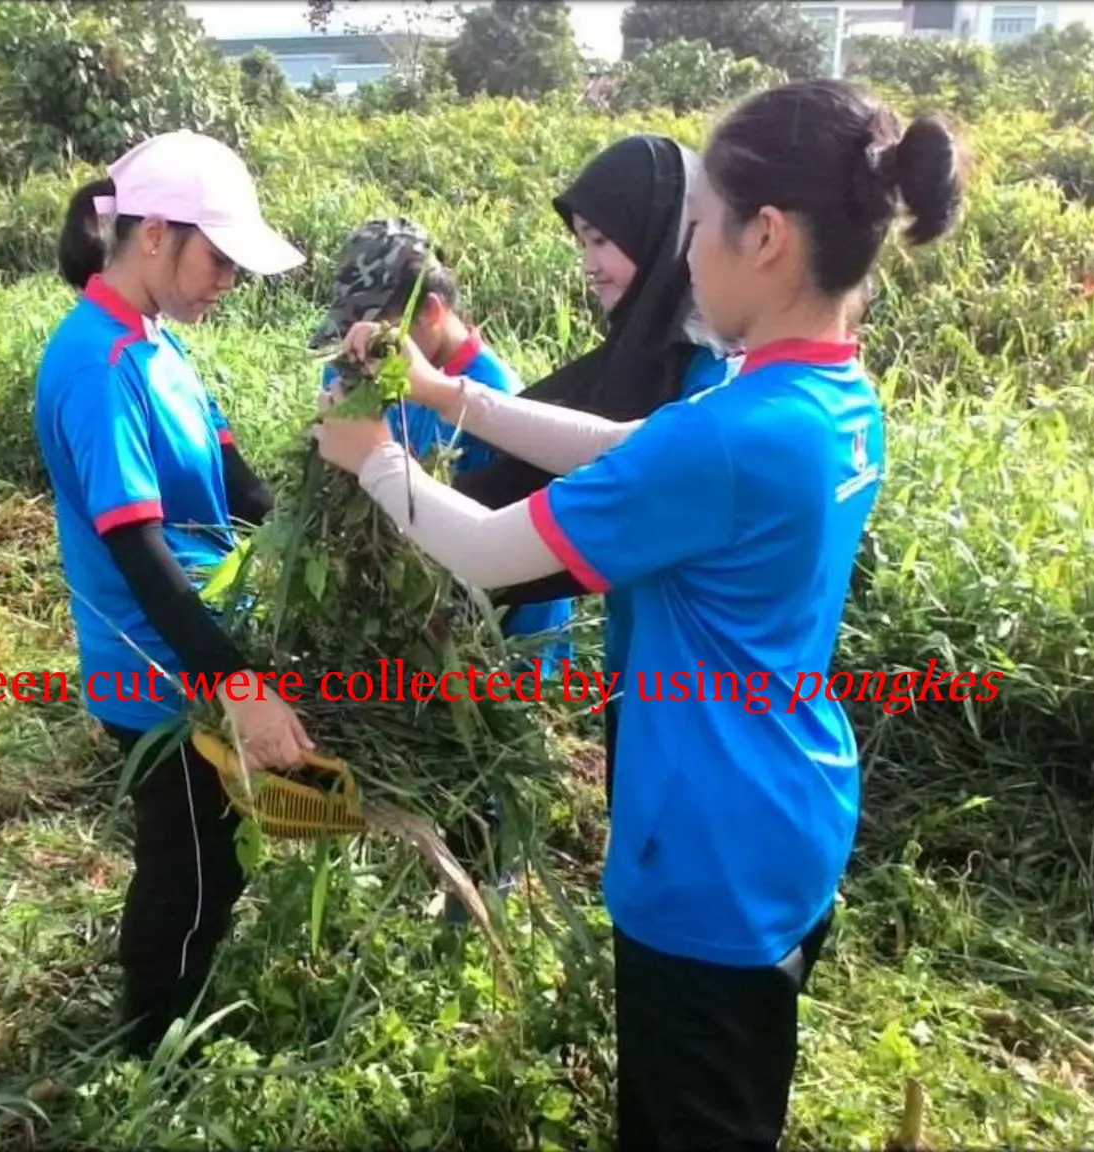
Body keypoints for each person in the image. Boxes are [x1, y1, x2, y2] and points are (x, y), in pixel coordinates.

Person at [314, 80, 964, 1151]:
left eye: (699, 226)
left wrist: (372, 459)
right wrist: (447, 397)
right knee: (736, 1086)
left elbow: (483, 555)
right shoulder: (824, 400)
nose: (686, 254)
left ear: (764, 236)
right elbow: (630, 453)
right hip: (787, 807)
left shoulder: (733, 432)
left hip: (703, 846)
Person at [34, 130, 316, 1056]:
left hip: (196, 650)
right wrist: (241, 687)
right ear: (154, 234)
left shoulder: (158, 345)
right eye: (220, 256)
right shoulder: (99, 364)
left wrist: (321, 528)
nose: (228, 279)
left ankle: (172, 1014)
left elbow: (233, 480)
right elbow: (138, 549)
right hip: (155, 668)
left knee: (208, 857)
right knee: (187, 864)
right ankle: (150, 1049)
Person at [447, 135, 741, 815]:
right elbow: (570, 445)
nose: (590, 265)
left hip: (703, 704)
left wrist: (389, 472)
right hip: (644, 670)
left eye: (603, 240)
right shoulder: (640, 362)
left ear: (664, 229)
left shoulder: (708, 384)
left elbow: (603, 467)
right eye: (582, 243)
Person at [313, 217, 568, 918]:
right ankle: (435, 890)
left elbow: (511, 558)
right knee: (432, 775)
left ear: (431, 313)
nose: (357, 350)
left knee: (486, 782)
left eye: (377, 330)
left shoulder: (497, 402)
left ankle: (477, 918)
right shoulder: (373, 373)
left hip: (499, 642)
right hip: (423, 631)